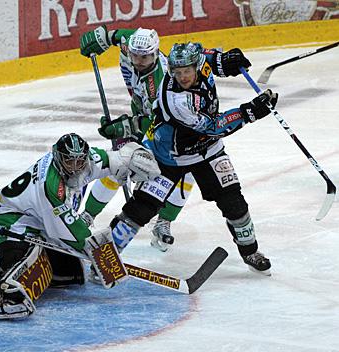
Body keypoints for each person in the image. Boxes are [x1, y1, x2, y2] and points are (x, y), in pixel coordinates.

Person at [99, 42, 276, 275]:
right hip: (169, 156)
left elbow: (209, 58)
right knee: (142, 207)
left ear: (195, 66)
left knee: (235, 203)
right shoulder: (176, 101)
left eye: (187, 71)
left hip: (208, 151)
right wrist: (249, 112)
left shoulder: (198, 62)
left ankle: (250, 252)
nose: (182, 77)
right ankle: (104, 256)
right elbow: (212, 127)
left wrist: (226, 62)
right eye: (177, 72)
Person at [0, 133, 160, 320]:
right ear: (59, 158)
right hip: (10, 223)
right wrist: (97, 252)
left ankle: (18, 260)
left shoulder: (87, 162)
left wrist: (130, 156)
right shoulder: (50, 185)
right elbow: (68, 232)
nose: (76, 168)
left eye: (79, 161)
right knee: (34, 266)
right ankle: (6, 295)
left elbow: (113, 159)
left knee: (73, 274)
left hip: (38, 222)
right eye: (69, 161)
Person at [80, 25, 195, 252]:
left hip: (172, 129)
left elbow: (157, 121)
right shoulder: (131, 45)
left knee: (185, 174)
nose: (139, 61)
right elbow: (123, 35)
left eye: (145, 57)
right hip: (142, 115)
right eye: (135, 55)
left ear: (155, 53)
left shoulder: (162, 83)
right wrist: (106, 36)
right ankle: (86, 216)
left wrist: (123, 127)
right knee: (119, 165)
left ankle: (163, 221)